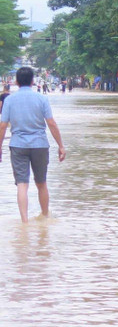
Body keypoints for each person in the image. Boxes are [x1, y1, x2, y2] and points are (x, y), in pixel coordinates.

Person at [0, 67, 67, 223]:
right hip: (40, 145)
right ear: (32, 81)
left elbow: (3, 125)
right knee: (41, 182)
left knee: (22, 184)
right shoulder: (41, 99)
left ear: (16, 82)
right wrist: (61, 145)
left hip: (18, 145)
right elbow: (51, 123)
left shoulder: (9, 100)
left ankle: (24, 222)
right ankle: (45, 216)